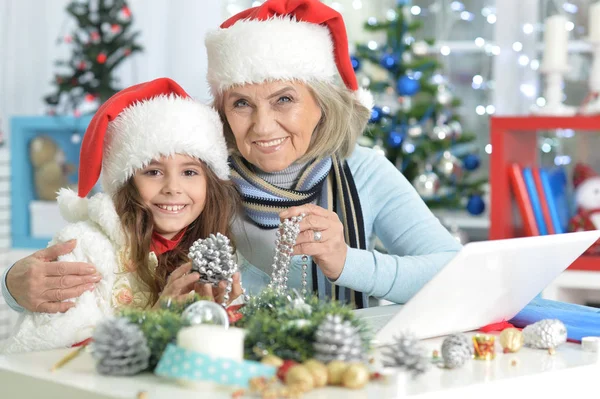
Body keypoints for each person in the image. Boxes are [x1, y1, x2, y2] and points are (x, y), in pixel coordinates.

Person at [2, 0, 460, 315]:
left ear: (321, 102)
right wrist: (14, 287)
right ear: (221, 109)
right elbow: (100, 242)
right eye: (242, 103)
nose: (261, 127)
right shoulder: (196, 176)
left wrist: (347, 263)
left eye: (283, 100)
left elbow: (454, 273)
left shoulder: (363, 171)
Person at [1, 78, 242, 353]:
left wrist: (230, 317)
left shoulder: (218, 246)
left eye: (189, 172)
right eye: (153, 172)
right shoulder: (86, 248)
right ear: (128, 182)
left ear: (210, 183)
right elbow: (51, 354)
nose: (173, 188)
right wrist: (157, 319)